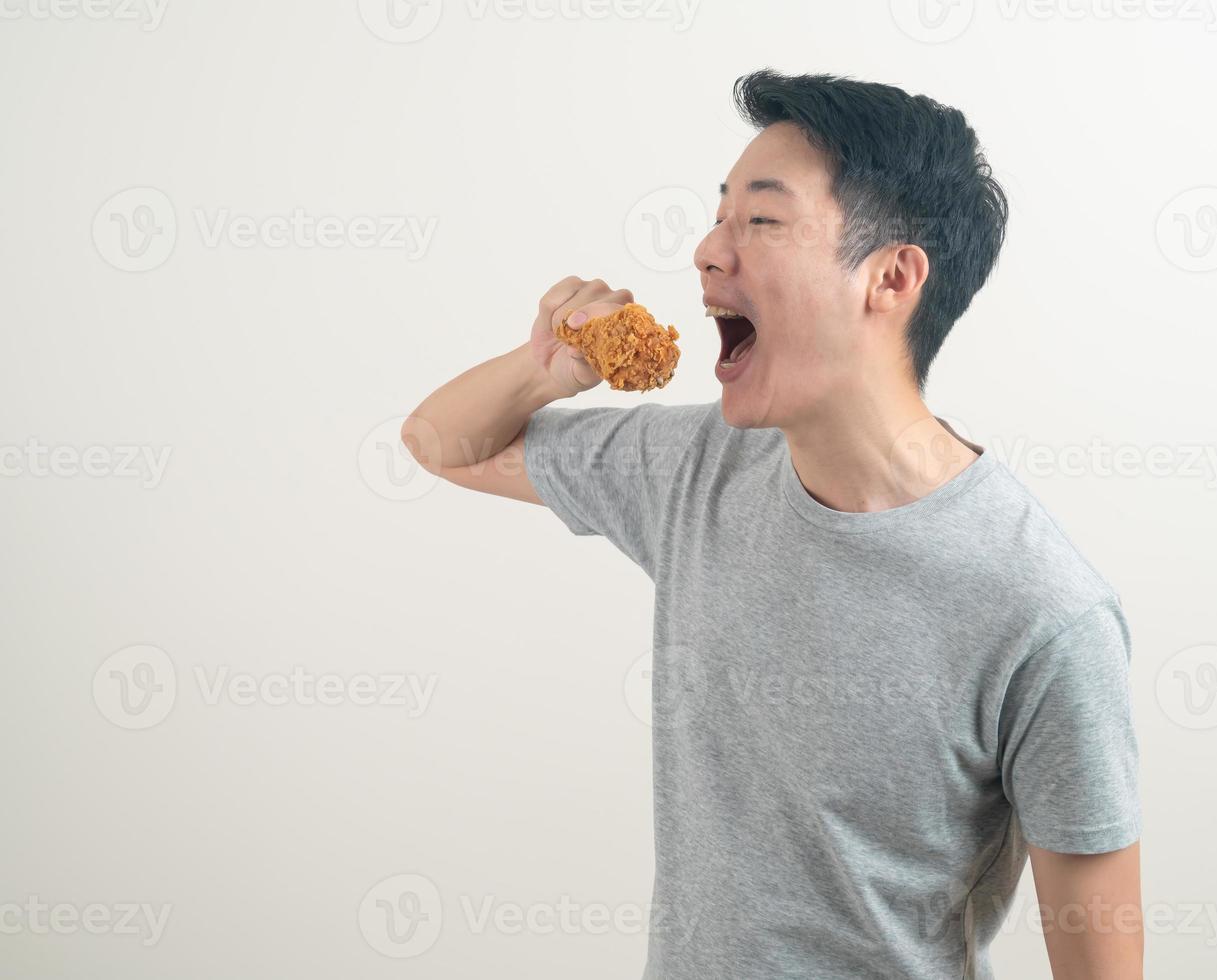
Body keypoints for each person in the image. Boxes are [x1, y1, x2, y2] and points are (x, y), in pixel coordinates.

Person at [403, 68, 1143, 980]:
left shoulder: (1044, 613)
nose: (709, 253)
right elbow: (442, 443)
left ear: (892, 277)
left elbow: (1100, 964)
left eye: (760, 220)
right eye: (719, 217)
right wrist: (541, 370)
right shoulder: (696, 467)